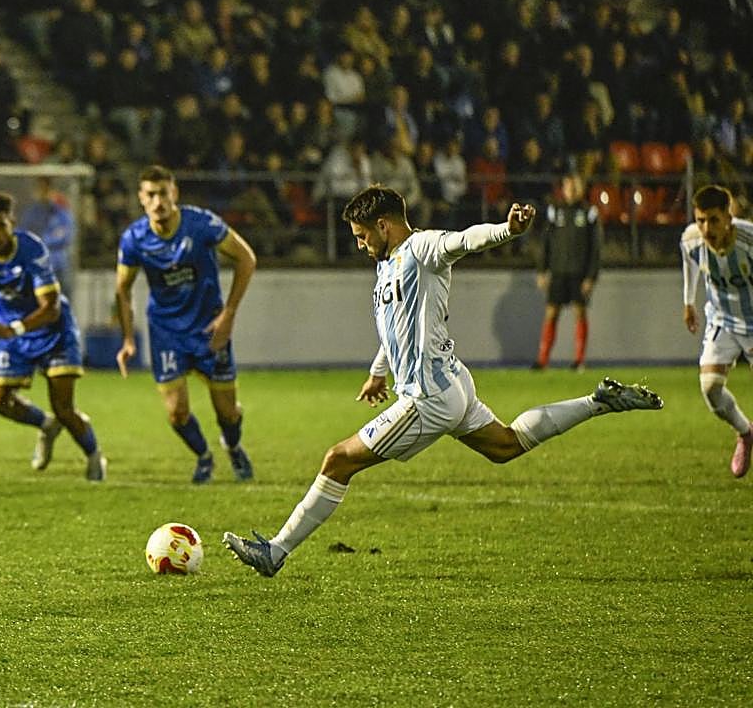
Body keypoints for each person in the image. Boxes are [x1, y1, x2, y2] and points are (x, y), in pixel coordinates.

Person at [223, 186, 663, 577]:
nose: (359, 245)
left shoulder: (421, 248)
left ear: (383, 225)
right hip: (453, 383)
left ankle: (275, 551)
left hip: (427, 398)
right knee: (506, 445)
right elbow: (396, 326)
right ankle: (599, 401)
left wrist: (507, 230)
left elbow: (463, 240)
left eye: (362, 235)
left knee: (337, 460)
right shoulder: (388, 263)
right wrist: (379, 371)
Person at [114, 165, 258, 483]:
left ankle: (233, 447)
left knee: (228, 413)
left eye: (163, 193)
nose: (158, 201)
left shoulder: (201, 224)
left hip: (209, 329)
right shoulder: (134, 239)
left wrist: (228, 314)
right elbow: (122, 290)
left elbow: (246, 258)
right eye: (150, 195)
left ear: (174, 193)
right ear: (141, 199)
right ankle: (204, 457)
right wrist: (127, 339)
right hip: (166, 332)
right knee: (176, 412)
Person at [0, 193, 106, 481]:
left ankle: (94, 455)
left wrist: (13, 329)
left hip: (52, 330)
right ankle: (46, 425)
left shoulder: (32, 251)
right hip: (9, 326)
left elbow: (51, 309)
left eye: (0, 226)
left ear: (12, 223)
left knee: (64, 408)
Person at [681, 184, 753, 478]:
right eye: (700, 220)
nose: (705, 228)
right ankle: (745, 433)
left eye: (713, 220)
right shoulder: (691, 240)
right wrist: (688, 302)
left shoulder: (749, 240)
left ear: (729, 216)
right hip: (722, 320)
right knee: (710, 388)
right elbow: (689, 264)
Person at [533, 174, 602, 370]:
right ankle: (542, 360)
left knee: (579, 313)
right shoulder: (556, 211)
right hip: (558, 271)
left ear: (580, 189)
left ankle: (579, 361)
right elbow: (545, 242)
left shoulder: (589, 212)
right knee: (551, 313)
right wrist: (541, 270)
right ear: (563, 189)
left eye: (575, 187)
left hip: (579, 273)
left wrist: (591, 276)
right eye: (568, 187)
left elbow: (595, 248)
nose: (571, 191)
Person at [18, 176, 76, 298]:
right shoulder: (31, 213)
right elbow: (23, 237)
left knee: (62, 301)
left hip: (58, 265)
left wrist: (40, 240)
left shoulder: (61, 213)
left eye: (47, 188)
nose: (44, 192)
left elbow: (65, 237)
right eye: (41, 188)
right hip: (35, 265)